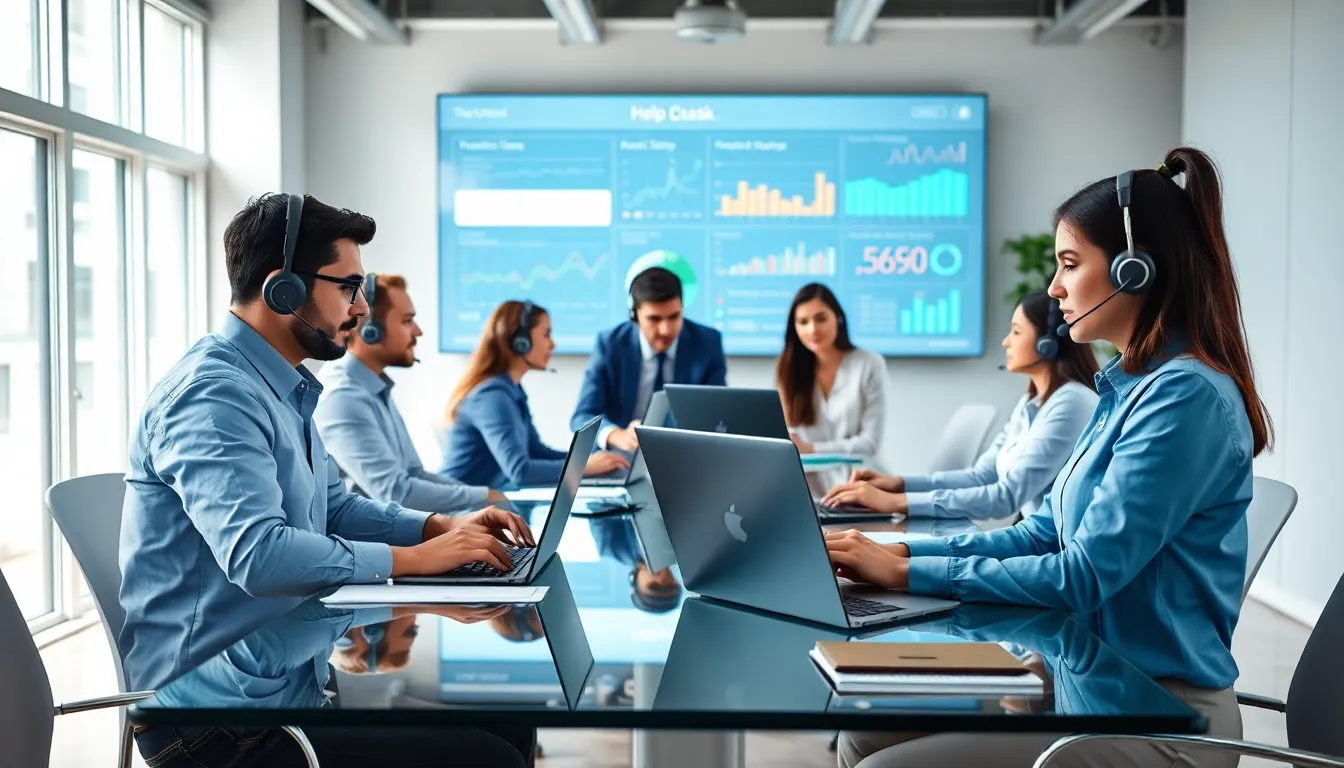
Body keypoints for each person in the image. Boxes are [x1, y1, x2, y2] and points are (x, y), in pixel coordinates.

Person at [827, 148, 1274, 768]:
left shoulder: (1186, 396)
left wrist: (905, 575)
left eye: (1069, 264)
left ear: (1134, 271)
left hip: (1157, 715)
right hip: (1082, 683)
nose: (1054, 289)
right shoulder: (1128, 388)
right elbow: (1043, 531)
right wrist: (902, 554)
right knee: (863, 732)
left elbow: (1084, 574)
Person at [120, 194, 535, 766]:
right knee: (493, 758)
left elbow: (334, 508)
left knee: (514, 730)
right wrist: (418, 563)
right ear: (282, 289)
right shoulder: (212, 396)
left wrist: (440, 526)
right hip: (214, 721)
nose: (362, 307)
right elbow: (258, 555)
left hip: (279, 679)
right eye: (349, 287)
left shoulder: (279, 386)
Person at [821, 289, 1099, 520]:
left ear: (1046, 344)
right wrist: (897, 485)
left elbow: (1007, 497)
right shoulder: (1032, 404)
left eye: (1016, 331)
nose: (1006, 342)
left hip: (1056, 556)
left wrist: (896, 502)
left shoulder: (1071, 403)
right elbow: (982, 476)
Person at [315, 273, 509, 513]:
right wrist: (482, 497)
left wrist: (485, 501)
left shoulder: (373, 386)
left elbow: (414, 474)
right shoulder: (343, 396)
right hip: (374, 542)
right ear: (370, 330)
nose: (418, 332)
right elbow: (396, 493)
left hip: (397, 531)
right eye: (407, 321)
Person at [442, 300, 629, 488]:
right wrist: (582, 467)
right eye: (546, 334)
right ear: (521, 342)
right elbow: (520, 471)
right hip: (457, 508)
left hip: (482, 504)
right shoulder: (492, 396)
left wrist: (592, 462)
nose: (552, 344)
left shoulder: (512, 390)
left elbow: (536, 451)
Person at [571, 266, 728, 453]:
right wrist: (615, 434)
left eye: (674, 316)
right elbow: (582, 417)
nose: (666, 330)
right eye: (654, 319)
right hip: (624, 457)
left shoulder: (707, 343)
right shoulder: (610, 345)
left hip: (686, 456)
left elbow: (719, 413)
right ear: (634, 315)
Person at [775, 283, 887, 495]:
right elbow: (790, 439)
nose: (812, 329)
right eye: (803, 322)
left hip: (858, 484)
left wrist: (813, 449)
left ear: (838, 318)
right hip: (806, 487)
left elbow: (869, 443)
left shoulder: (869, 364)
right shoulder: (789, 368)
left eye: (821, 318)